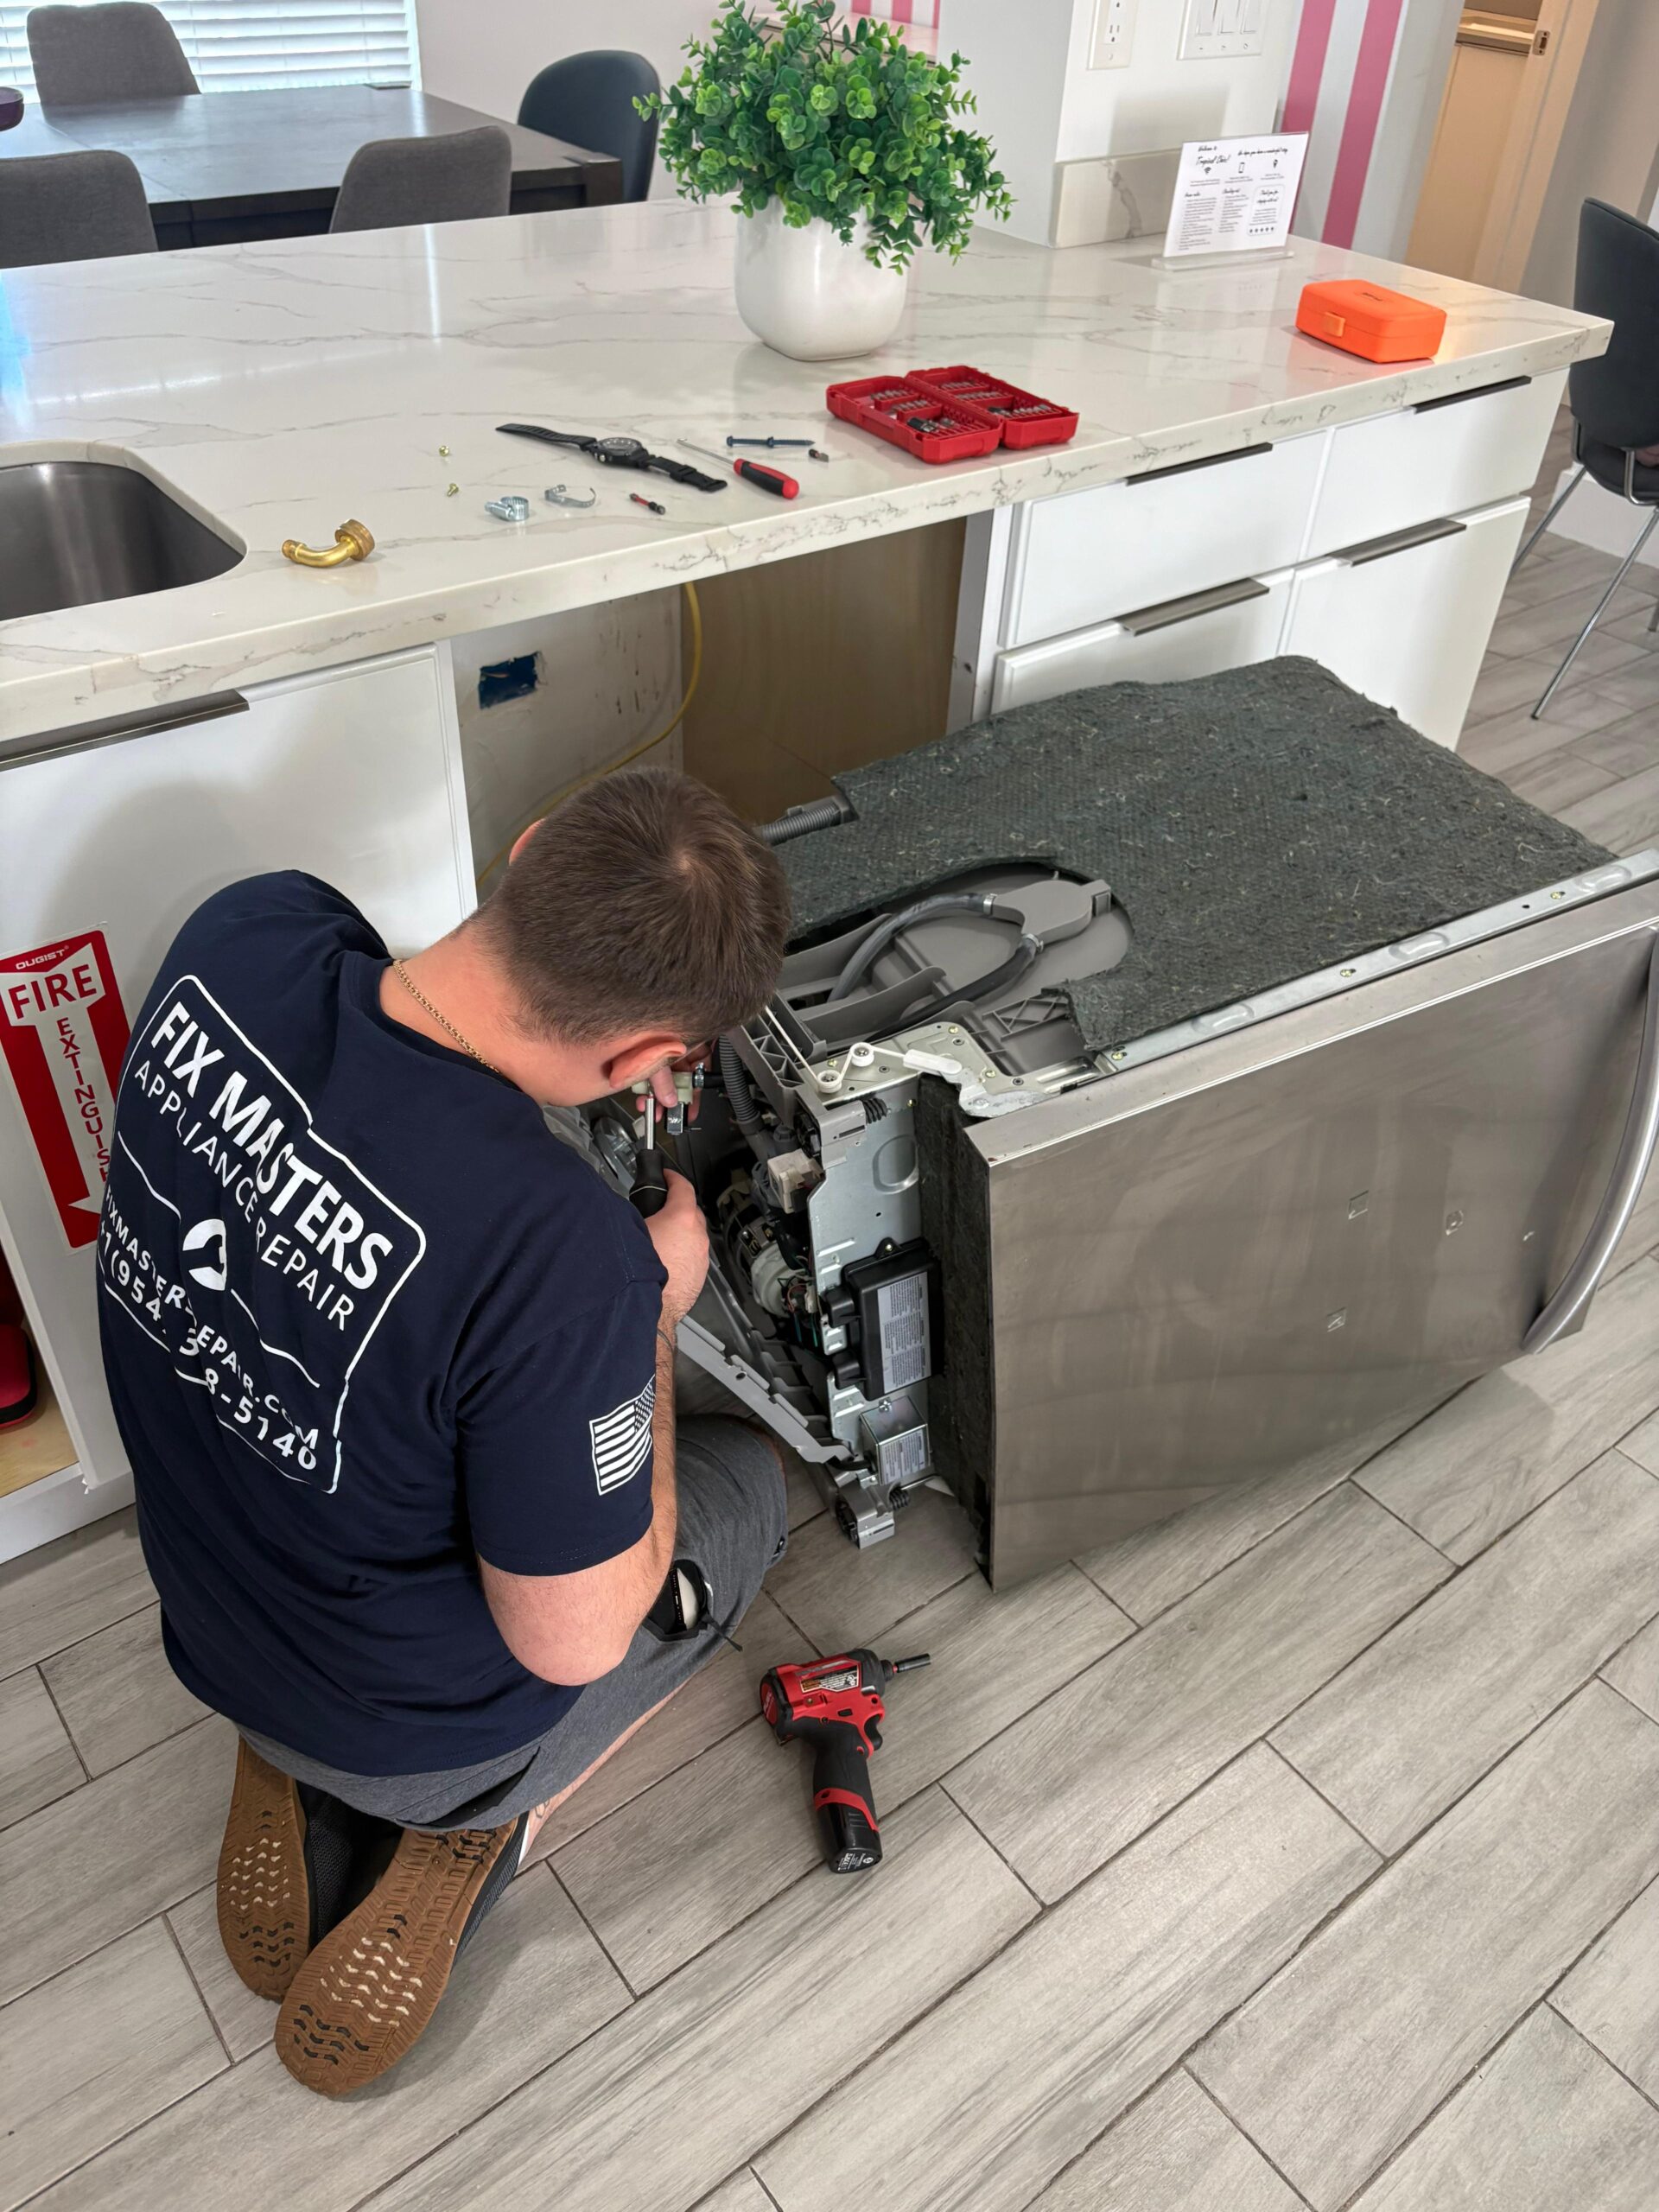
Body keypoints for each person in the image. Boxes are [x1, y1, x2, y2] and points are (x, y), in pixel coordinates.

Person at [98, 768, 792, 2095]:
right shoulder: (562, 1262)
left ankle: (290, 1746)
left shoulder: (247, 932)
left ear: (523, 854)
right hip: (414, 1728)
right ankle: (481, 1816)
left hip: (208, 1609)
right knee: (742, 1492)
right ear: (649, 1065)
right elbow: (577, 1635)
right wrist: (646, 1306)